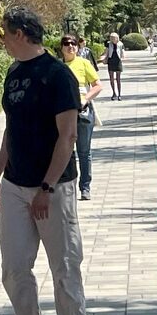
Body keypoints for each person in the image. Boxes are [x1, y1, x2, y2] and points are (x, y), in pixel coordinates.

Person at [0, 11, 91, 315]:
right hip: (15, 185)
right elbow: (11, 129)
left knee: (65, 271)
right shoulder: (14, 72)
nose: (1, 40)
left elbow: (68, 136)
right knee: (14, 270)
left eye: (4, 34)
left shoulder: (57, 75)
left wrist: (47, 188)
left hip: (54, 187)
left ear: (19, 34)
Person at [58, 31, 103, 198]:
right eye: (66, 44)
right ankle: (67, 186)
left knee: (84, 151)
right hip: (63, 114)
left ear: (77, 47)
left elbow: (98, 85)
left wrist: (85, 99)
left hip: (83, 113)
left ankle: (85, 187)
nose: (70, 46)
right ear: (61, 48)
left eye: (73, 44)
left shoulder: (84, 63)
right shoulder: (57, 67)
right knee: (65, 151)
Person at [103, 31, 125, 100]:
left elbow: (123, 53)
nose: (112, 39)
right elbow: (106, 52)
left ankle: (119, 94)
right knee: (111, 78)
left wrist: (123, 56)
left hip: (118, 61)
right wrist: (105, 58)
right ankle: (114, 93)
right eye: (111, 38)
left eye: (114, 38)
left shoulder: (120, 44)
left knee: (118, 79)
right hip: (111, 61)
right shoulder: (108, 44)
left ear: (117, 38)